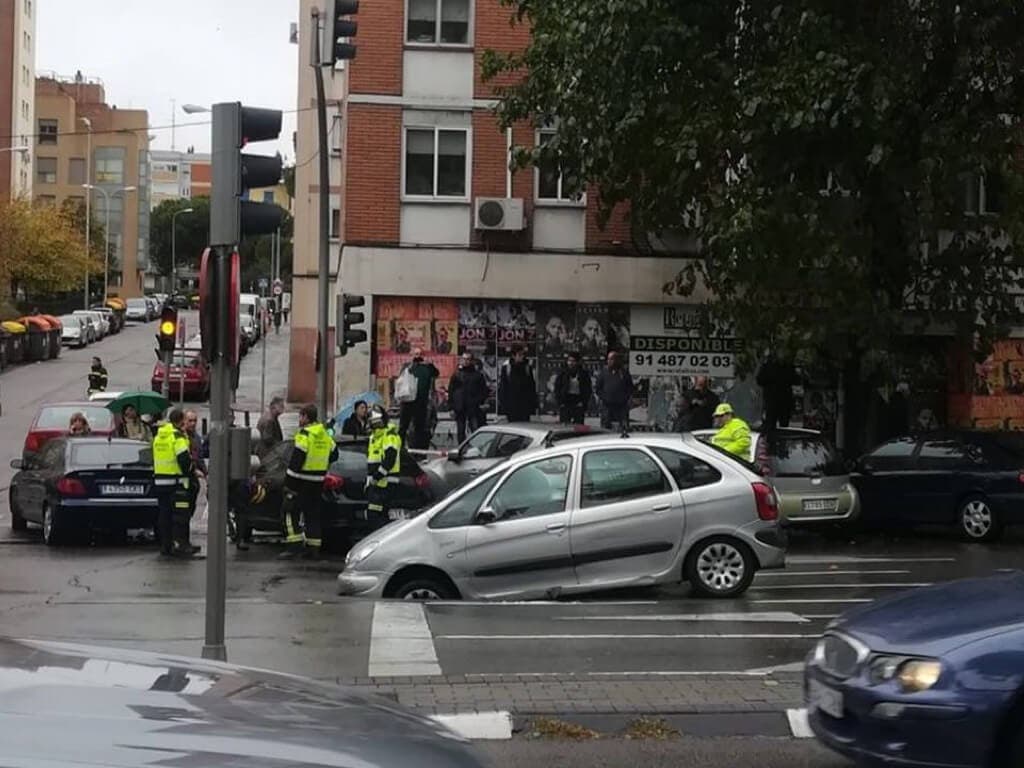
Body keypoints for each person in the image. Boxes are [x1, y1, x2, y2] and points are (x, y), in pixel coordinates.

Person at [279, 404, 338, 560]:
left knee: (290, 512)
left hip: (301, 482)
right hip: (318, 482)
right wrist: (322, 465)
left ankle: (294, 547)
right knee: (312, 515)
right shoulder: (325, 435)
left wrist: (288, 485)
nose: (299, 419)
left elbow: (296, 462)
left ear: (305, 417)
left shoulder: (304, 436)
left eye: (300, 416)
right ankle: (313, 549)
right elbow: (335, 454)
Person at [152, 408, 198, 559]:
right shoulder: (177, 437)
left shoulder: (159, 436)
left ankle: (166, 546)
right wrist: (192, 471)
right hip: (176, 483)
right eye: (185, 419)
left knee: (164, 515)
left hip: (160, 482)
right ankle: (182, 546)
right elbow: (184, 460)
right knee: (181, 516)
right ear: (180, 420)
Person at [366, 405, 403, 521]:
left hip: (387, 483)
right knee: (375, 516)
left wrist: (377, 476)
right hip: (377, 484)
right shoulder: (374, 438)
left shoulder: (389, 435)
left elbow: (390, 459)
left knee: (377, 517)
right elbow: (372, 462)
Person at [399, 349, 439, 450]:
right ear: (412, 355)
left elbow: (436, 374)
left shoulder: (427, 367)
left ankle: (417, 448)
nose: (418, 356)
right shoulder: (408, 366)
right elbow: (401, 379)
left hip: (421, 402)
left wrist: (430, 365)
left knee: (419, 426)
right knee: (403, 425)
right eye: (416, 354)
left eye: (420, 354)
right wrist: (411, 365)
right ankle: (400, 446)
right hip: (408, 401)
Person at [449, 352, 488, 442]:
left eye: (468, 359)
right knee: (461, 431)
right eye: (464, 359)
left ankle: (475, 449)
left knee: (475, 430)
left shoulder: (477, 375)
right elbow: (451, 390)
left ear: (472, 361)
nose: (466, 361)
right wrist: (451, 407)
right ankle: (461, 449)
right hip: (460, 407)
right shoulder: (457, 374)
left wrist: (479, 401)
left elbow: (483, 390)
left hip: (473, 407)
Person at [757, 355, 799, 431]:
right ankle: (774, 440)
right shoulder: (768, 366)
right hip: (774, 402)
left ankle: (778, 440)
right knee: (773, 425)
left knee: (781, 426)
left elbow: (796, 380)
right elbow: (760, 380)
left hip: (781, 402)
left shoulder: (787, 367)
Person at [594, 350, 633, 431]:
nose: (609, 361)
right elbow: (598, 388)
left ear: (617, 360)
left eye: (612, 359)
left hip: (621, 406)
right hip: (607, 406)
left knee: (623, 428)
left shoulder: (624, 373)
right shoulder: (603, 373)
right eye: (608, 359)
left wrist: (624, 398)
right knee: (605, 429)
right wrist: (605, 398)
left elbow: (630, 388)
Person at [498, 346, 538, 423]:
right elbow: (503, 387)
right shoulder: (507, 368)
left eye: (523, 355)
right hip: (511, 405)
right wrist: (504, 405)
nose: (522, 357)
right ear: (513, 356)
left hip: (525, 405)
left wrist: (532, 403)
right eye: (519, 355)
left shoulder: (527, 367)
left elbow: (531, 386)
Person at [554, 352, 593, 425]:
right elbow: (557, 388)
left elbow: (588, 389)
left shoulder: (584, 374)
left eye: (573, 361)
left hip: (578, 401)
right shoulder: (562, 373)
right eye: (569, 361)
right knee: (565, 426)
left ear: (578, 362)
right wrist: (560, 402)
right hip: (565, 401)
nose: (571, 363)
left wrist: (583, 402)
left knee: (578, 426)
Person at [183, 409, 205, 526]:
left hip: (193, 479)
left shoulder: (196, 437)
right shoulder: (181, 436)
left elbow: (199, 457)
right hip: (184, 476)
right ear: (184, 421)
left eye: (195, 421)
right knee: (182, 510)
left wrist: (206, 473)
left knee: (192, 505)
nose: (193, 423)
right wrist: (194, 470)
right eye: (190, 420)